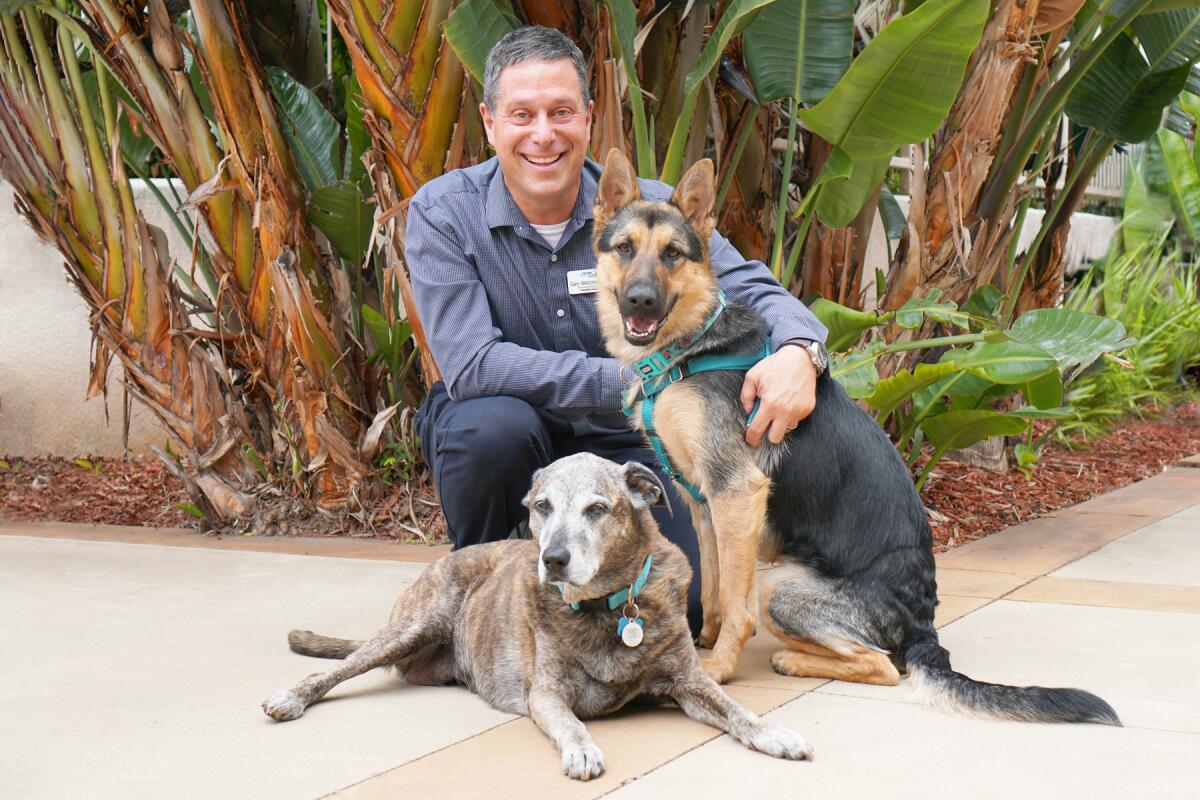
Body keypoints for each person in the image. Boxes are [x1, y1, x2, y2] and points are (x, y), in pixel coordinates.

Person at [405, 26, 828, 635]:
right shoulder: (444, 214)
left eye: (561, 112)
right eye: (522, 114)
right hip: (511, 434)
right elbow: (471, 364)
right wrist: (644, 380)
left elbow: (756, 288)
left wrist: (799, 351)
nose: (543, 134)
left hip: (627, 443)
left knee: (679, 599)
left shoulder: (653, 213)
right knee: (488, 430)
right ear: (490, 122)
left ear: (589, 117)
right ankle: (478, 605)